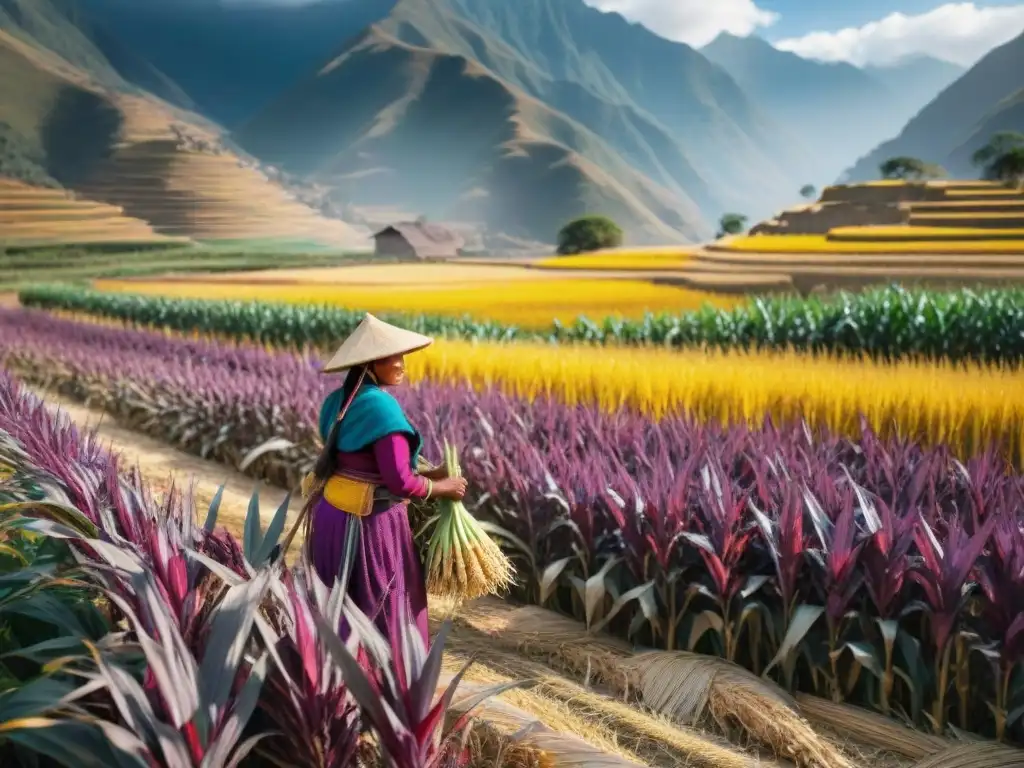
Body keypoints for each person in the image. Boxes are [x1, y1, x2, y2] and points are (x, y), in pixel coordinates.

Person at [302, 313, 467, 646]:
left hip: (331, 515)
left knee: (337, 598)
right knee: (381, 604)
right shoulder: (382, 408)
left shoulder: (337, 401)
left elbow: (355, 459)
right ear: (373, 363)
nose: (403, 364)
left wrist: (424, 471)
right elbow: (399, 484)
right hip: (370, 525)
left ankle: (334, 678)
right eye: (396, 357)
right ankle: (382, 683)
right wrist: (442, 487)